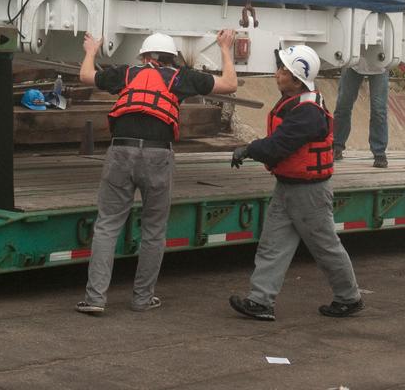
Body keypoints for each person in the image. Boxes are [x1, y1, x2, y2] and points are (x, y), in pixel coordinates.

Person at [75, 28, 238, 315]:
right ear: (172, 58)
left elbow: (86, 77)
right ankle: (141, 299)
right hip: (158, 154)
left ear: (145, 55)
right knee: (153, 230)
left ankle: (95, 299)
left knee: (107, 225)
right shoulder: (181, 78)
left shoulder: (126, 73)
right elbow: (229, 84)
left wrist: (91, 50)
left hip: (121, 152)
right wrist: (225, 47)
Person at [227, 45, 363, 321]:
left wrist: (249, 149)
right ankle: (260, 301)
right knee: (273, 245)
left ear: (297, 79)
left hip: (309, 193)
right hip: (289, 186)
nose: (277, 74)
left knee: (325, 246)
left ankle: (349, 298)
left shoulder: (307, 112)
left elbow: (279, 145)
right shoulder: (300, 104)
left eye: (283, 70)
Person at [332, 50, 389, 168]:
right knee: (343, 105)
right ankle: (336, 146)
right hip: (353, 62)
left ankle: (379, 152)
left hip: (381, 63)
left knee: (379, 109)